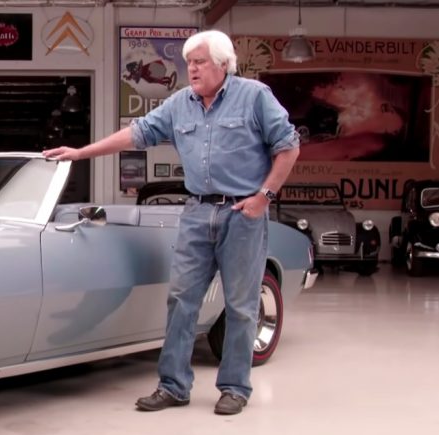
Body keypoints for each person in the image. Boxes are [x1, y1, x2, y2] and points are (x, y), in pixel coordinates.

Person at [43, 30, 300, 415]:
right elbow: (136, 134)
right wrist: (82, 153)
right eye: (189, 62)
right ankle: (174, 386)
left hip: (242, 215)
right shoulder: (181, 103)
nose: (191, 69)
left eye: (199, 61)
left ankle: (234, 387)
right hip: (197, 213)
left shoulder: (254, 96)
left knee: (241, 305)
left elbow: (288, 146)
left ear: (223, 63)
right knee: (181, 299)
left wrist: (264, 198)